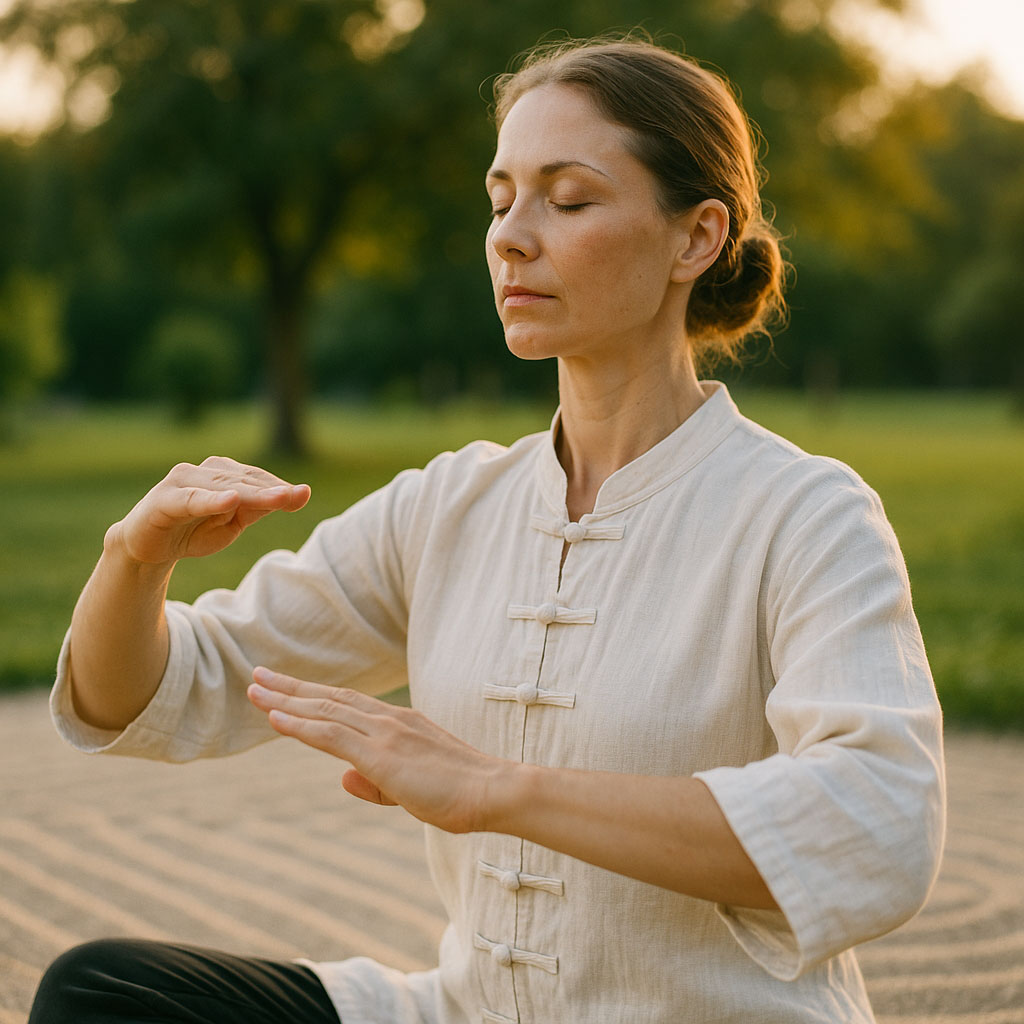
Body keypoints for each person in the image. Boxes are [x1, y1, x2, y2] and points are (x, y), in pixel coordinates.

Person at [30, 35, 945, 1024]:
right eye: (501, 196)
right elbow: (156, 691)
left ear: (697, 237)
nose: (511, 235)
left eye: (568, 197)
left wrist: (496, 788)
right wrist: (136, 556)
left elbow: (878, 822)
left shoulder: (803, 514)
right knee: (100, 994)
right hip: (466, 1011)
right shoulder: (449, 506)